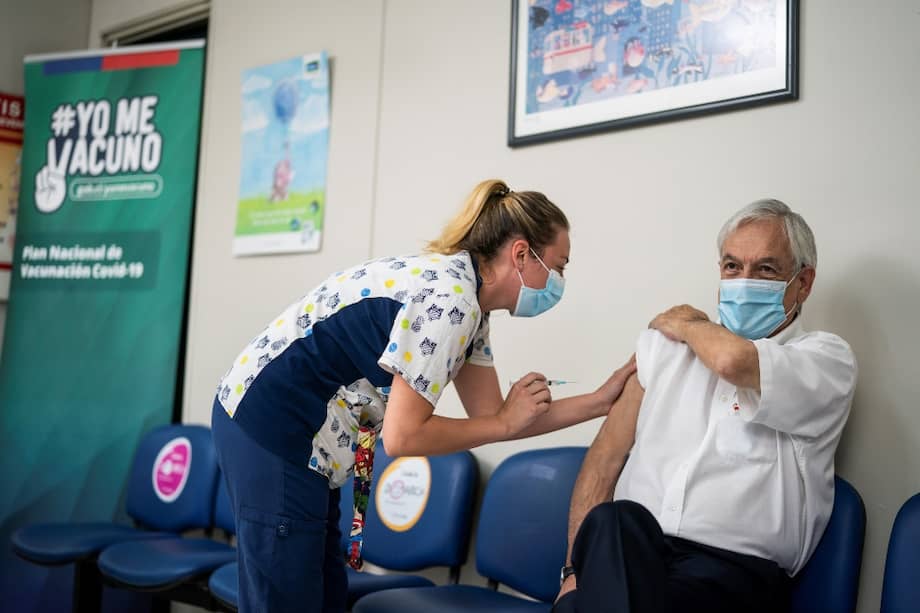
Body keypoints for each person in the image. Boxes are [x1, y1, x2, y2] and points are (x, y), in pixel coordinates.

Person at [211, 179, 637, 613]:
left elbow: (493, 416)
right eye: (558, 266)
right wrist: (503, 422)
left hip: (301, 436)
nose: (560, 281)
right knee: (289, 599)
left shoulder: (470, 304)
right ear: (522, 254)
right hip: (271, 423)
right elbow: (404, 437)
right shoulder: (451, 301)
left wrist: (601, 401)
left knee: (320, 594)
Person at [554, 199, 857, 613]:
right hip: (632, 559)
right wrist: (572, 574)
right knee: (614, 522)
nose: (743, 280)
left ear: (802, 283)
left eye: (765, 269)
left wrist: (690, 324)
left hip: (733, 578)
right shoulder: (664, 351)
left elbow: (733, 361)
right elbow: (604, 460)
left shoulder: (825, 359)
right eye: (732, 266)